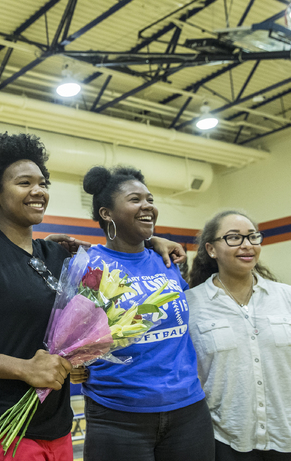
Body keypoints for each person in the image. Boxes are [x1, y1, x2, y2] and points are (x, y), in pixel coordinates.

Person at [0, 135, 187, 461]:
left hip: (57, 425)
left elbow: (114, 252)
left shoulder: (55, 254)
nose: (38, 191)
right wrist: (23, 369)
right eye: (25, 183)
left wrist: (153, 242)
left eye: (42, 183)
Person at [78, 165, 215, 461]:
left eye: (150, 199)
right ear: (106, 213)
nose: (148, 206)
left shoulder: (166, 261)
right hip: (118, 415)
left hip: (188, 411)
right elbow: (75, 337)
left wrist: (155, 241)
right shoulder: (89, 266)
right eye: (135, 199)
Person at [186, 210, 291, 461]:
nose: (247, 245)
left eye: (253, 237)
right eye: (233, 238)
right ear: (211, 249)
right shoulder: (191, 305)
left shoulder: (288, 297)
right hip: (226, 443)